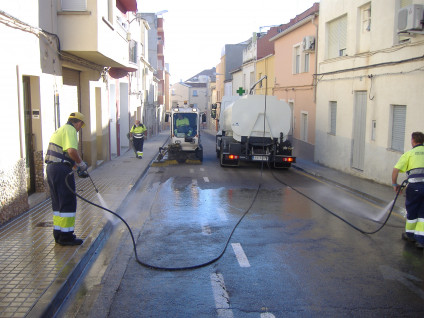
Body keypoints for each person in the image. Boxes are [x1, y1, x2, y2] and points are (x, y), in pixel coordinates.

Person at [45, 112, 88, 246]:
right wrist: (81, 163)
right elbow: (71, 151)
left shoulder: (61, 129)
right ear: (78, 123)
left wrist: (75, 166)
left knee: (58, 203)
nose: (80, 128)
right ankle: (67, 236)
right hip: (60, 169)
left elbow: (63, 155)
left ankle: (58, 234)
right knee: (68, 201)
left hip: (52, 169)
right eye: (81, 125)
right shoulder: (70, 130)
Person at [392, 131, 424, 249]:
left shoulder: (409, 154)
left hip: (415, 188)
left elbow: (395, 170)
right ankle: (420, 240)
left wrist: (395, 184)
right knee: (423, 215)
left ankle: (410, 235)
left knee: (412, 211)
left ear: (413, 140)